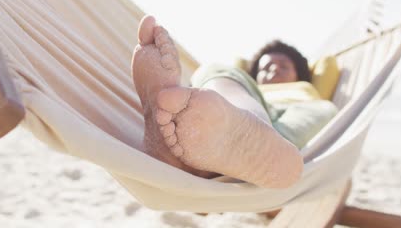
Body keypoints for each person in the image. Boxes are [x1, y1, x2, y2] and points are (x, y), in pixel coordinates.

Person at [131, 15, 336, 189]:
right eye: (266, 68)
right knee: (214, 71)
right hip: (244, 106)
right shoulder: (247, 84)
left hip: (297, 108)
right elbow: (230, 90)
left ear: (299, 73)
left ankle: (230, 156)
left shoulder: (305, 90)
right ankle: (223, 143)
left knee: (326, 110)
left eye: (283, 66)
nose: (274, 70)